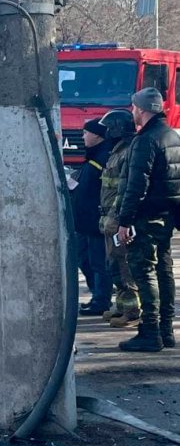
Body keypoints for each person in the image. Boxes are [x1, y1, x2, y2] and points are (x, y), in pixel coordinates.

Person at [116, 87, 180, 352]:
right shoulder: (172, 135)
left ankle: (150, 332)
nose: (132, 111)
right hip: (168, 216)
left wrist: (124, 220)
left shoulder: (145, 140)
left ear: (141, 110)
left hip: (146, 217)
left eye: (134, 107)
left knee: (144, 271)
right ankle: (166, 330)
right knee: (164, 271)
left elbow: (136, 185)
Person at [97, 110, 140, 328]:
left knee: (124, 265)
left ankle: (131, 311)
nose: (105, 132)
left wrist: (116, 217)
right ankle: (121, 306)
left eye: (108, 128)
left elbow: (124, 190)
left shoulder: (127, 153)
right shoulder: (116, 151)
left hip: (117, 218)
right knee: (113, 264)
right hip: (109, 217)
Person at [72, 117, 113, 316]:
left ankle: (101, 300)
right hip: (85, 221)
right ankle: (97, 294)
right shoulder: (94, 156)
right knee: (84, 259)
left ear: (97, 135)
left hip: (96, 220)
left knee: (98, 262)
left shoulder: (104, 157)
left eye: (86, 133)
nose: (83, 137)